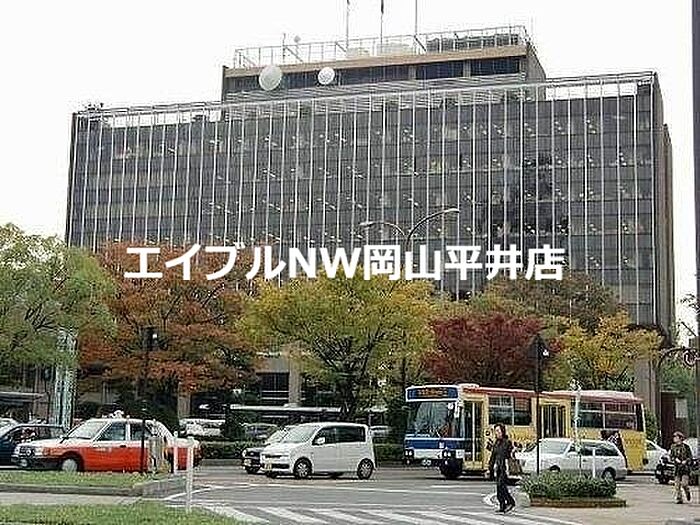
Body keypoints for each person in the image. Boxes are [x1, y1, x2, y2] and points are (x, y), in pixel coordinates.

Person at [488, 423, 516, 514]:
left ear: (502, 431)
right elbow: (493, 456)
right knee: (499, 487)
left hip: (505, 467)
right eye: (495, 431)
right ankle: (502, 506)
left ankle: (511, 502)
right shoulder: (496, 443)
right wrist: (490, 467)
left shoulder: (507, 442)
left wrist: (513, 451)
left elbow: (510, 455)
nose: (496, 433)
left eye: (498, 431)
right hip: (498, 468)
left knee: (501, 485)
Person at [669, 431, 693, 504]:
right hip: (677, 469)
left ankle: (687, 492)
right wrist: (675, 459)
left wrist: (685, 461)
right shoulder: (673, 447)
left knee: (684, 484)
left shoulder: (686, 447)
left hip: (685, 468)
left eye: (676, 437)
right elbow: (671, 456)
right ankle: (679, 498)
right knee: (677, 485)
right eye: (674, 437)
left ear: (680, 438)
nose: (674, 438)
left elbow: (690, 457)